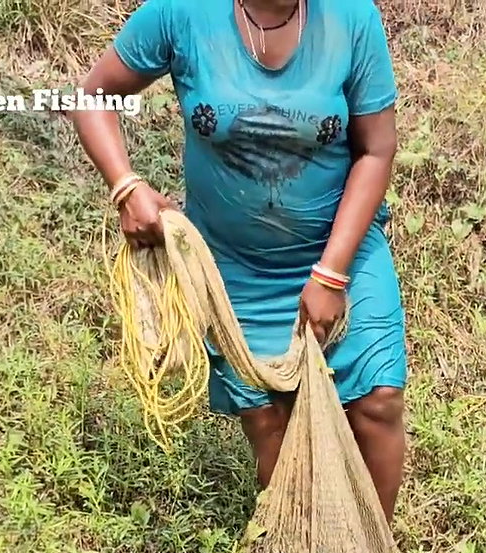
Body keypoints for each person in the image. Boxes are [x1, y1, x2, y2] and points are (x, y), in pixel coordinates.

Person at [71, 0, 408, 522]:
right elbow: (92, 97)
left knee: (377, 402)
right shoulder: (182, 13)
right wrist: (126, 186)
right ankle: (296, 552)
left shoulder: (350, 17)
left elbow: (376, 150)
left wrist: (331, 273)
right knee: (270, 421)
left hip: (340, 249)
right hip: (235, 267)